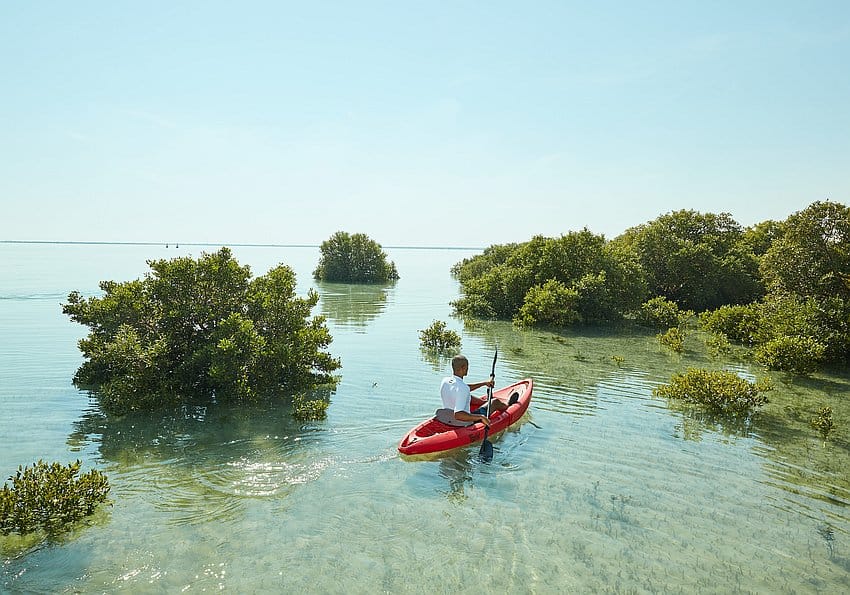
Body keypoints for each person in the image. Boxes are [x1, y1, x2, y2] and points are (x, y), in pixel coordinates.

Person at [436, 354, 507, 427]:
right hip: (463, 422)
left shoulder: (445, 381)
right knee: (495, 402)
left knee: (468, 396)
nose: (468, 369)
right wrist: (481, 417)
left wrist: (484, 383)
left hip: (447, 417)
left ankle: (483, 402)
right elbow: (458, 415)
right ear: (463, 368)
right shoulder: (463, 388)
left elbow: (463, 388)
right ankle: (508, 405)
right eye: (467, 366)